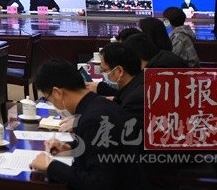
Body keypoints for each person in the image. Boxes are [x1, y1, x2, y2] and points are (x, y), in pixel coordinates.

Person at [28, 59, 148, 189]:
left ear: (57, 93)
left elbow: (98, 183)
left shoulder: (92, 120)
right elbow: (102, 151)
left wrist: (51, 166)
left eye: (48, 98)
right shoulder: (99, 104)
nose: (51, 103)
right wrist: (71, 147)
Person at [91, 42, 143, 124]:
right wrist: (115, 100)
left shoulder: (134, 100)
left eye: (104, 70)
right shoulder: (139, 81)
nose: (103, 74)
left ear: (119, 71)